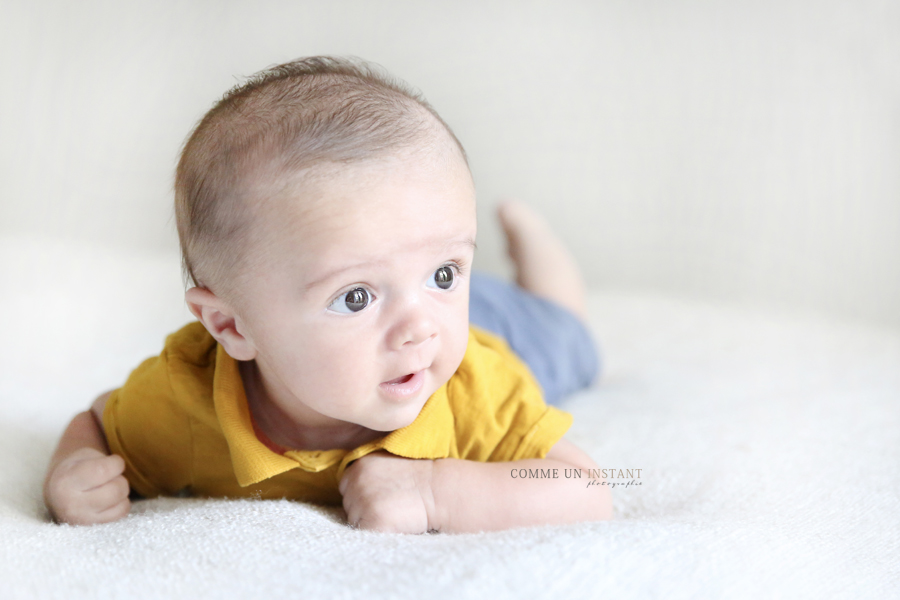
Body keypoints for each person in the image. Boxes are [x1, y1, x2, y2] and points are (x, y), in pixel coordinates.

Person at [42, 56, 611, 533]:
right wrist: (74, 468)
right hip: (445, 307)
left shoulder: (477, 391)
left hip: (494, 329)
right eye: (355, 298)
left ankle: (536, 250)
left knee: (566, 341)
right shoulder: (184, 397)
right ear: (232, 327)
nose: (418, 326)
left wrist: (439, 491)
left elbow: (587, 488)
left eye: (446, 269)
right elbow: (96, 421)